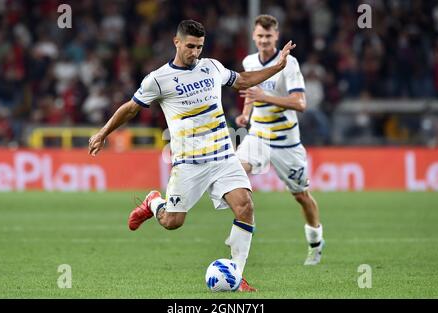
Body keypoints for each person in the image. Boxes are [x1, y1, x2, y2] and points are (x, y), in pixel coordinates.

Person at [88, 20, 295, 291]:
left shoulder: (212, 67)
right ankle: (153, 202)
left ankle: (237, 274)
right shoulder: (158, 79)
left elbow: (242, 80)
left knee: (245, 206)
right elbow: (130, 108)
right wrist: (103, 133)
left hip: (223, 156)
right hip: (188, 163)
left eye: (199, 47)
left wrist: (277, 67)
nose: (195, 52)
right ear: (176, 42)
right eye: (190, 46)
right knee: (173, 222)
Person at [235, 15, 325, 265]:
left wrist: (266, 96)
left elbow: (300, 103)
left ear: (276, 36)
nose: (264, 40)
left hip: (287, 142)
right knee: (236, 171)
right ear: (254, 36)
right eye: (260, 36)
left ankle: (316, 242)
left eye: (268, 36)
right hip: (258, 136)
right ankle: (241, 237)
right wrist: (245, 115)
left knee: (301, 196)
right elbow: (251, 93)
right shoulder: (249, 61)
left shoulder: (290, 64)